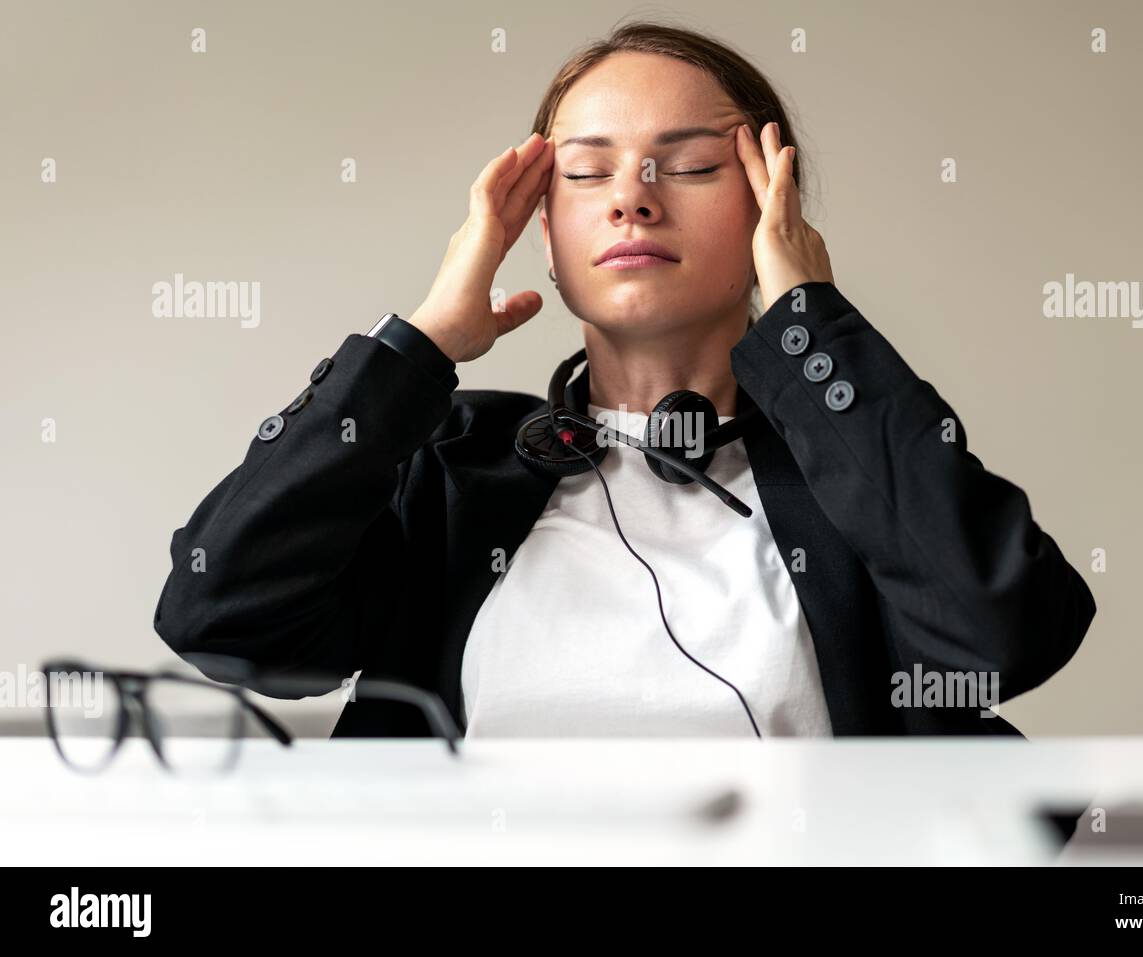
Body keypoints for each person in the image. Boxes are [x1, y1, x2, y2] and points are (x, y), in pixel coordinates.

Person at [153, 22, 1095, 750]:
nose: (632, 195)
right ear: (542, 230)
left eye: (689, 166)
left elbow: (1004, 632)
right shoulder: (453, 468)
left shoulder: (850, 478)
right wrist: (418, 348)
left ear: (775, 206)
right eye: (584, 171)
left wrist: (810, 315)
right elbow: (224, 613)